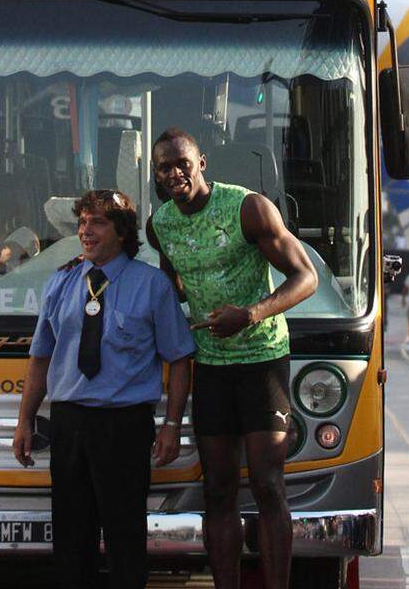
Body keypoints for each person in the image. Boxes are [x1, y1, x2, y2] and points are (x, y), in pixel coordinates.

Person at [148, 129, 317, 589]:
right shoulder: (159, 224)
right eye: (165, 167)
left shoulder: (248, 207)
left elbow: (306, 278)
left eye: (183, 163)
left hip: (262, 360)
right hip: (211, 366)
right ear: (158, 176)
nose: (175, 173)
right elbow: (174, 286)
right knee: (218, 491)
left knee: (267, 486)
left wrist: (251, 314)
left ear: (201, 162)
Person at [14, 190, 194, 589]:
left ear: (122, 231)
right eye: (82, 223)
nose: (86, 231)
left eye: (97, 223)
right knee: (71, 538)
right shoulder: (61, 282)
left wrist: (171, 426)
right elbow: (41, 357)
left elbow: (179, 358)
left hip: (124, 425)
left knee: (124, 536)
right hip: (69, 423)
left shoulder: (151, 285)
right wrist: (25, 420)